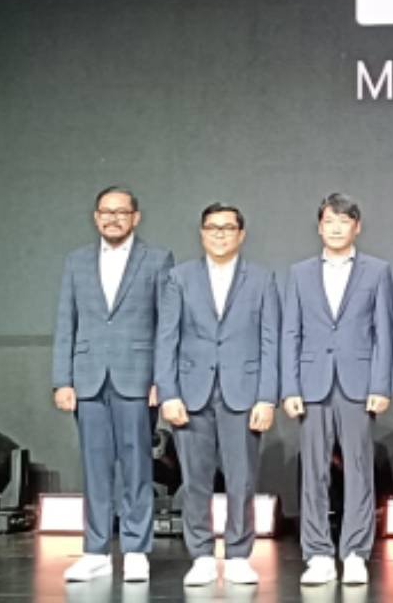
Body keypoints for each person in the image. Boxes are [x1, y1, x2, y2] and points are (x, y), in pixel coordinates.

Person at [154, 202, 280, 586]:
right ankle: (202, 555)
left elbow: (271, 341)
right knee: (195, 480)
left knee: (242, 479)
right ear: (201, 233)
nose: (220, 234)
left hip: (243, 392)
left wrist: (267, 397)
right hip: (192, 393)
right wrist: (169, 393)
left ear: (241, 235)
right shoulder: (179, 278)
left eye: (227, 228)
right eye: (212, 228)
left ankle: (239, 554)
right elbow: (166, 339)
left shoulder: (262, 279)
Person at [53, 186, 173, 583]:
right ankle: (96, 551)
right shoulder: (77, 261)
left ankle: (136, 549)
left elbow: (166, 325)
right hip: (88, 378)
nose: (113, 218)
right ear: (95, 217)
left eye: (121, 212)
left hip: (137, 376)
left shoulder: (157, 259)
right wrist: (62, 380)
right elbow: (66, 323)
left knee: (137, 465)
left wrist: (162, 379)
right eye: (106, 212)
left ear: (135, 217)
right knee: (95, 468)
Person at [281, 193, 393, 586]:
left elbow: (384, 333)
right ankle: (317, 554)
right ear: (319, 226)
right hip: (312, 383)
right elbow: (290, 333)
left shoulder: (377, 271)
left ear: (356, 227)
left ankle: (356, 552)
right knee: (313, 471)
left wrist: (380, 384)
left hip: (358, 383)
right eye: (329, 221)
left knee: (359, 469)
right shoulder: (299, 273)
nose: (335, 228)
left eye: (343, 221)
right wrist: (289, 387)